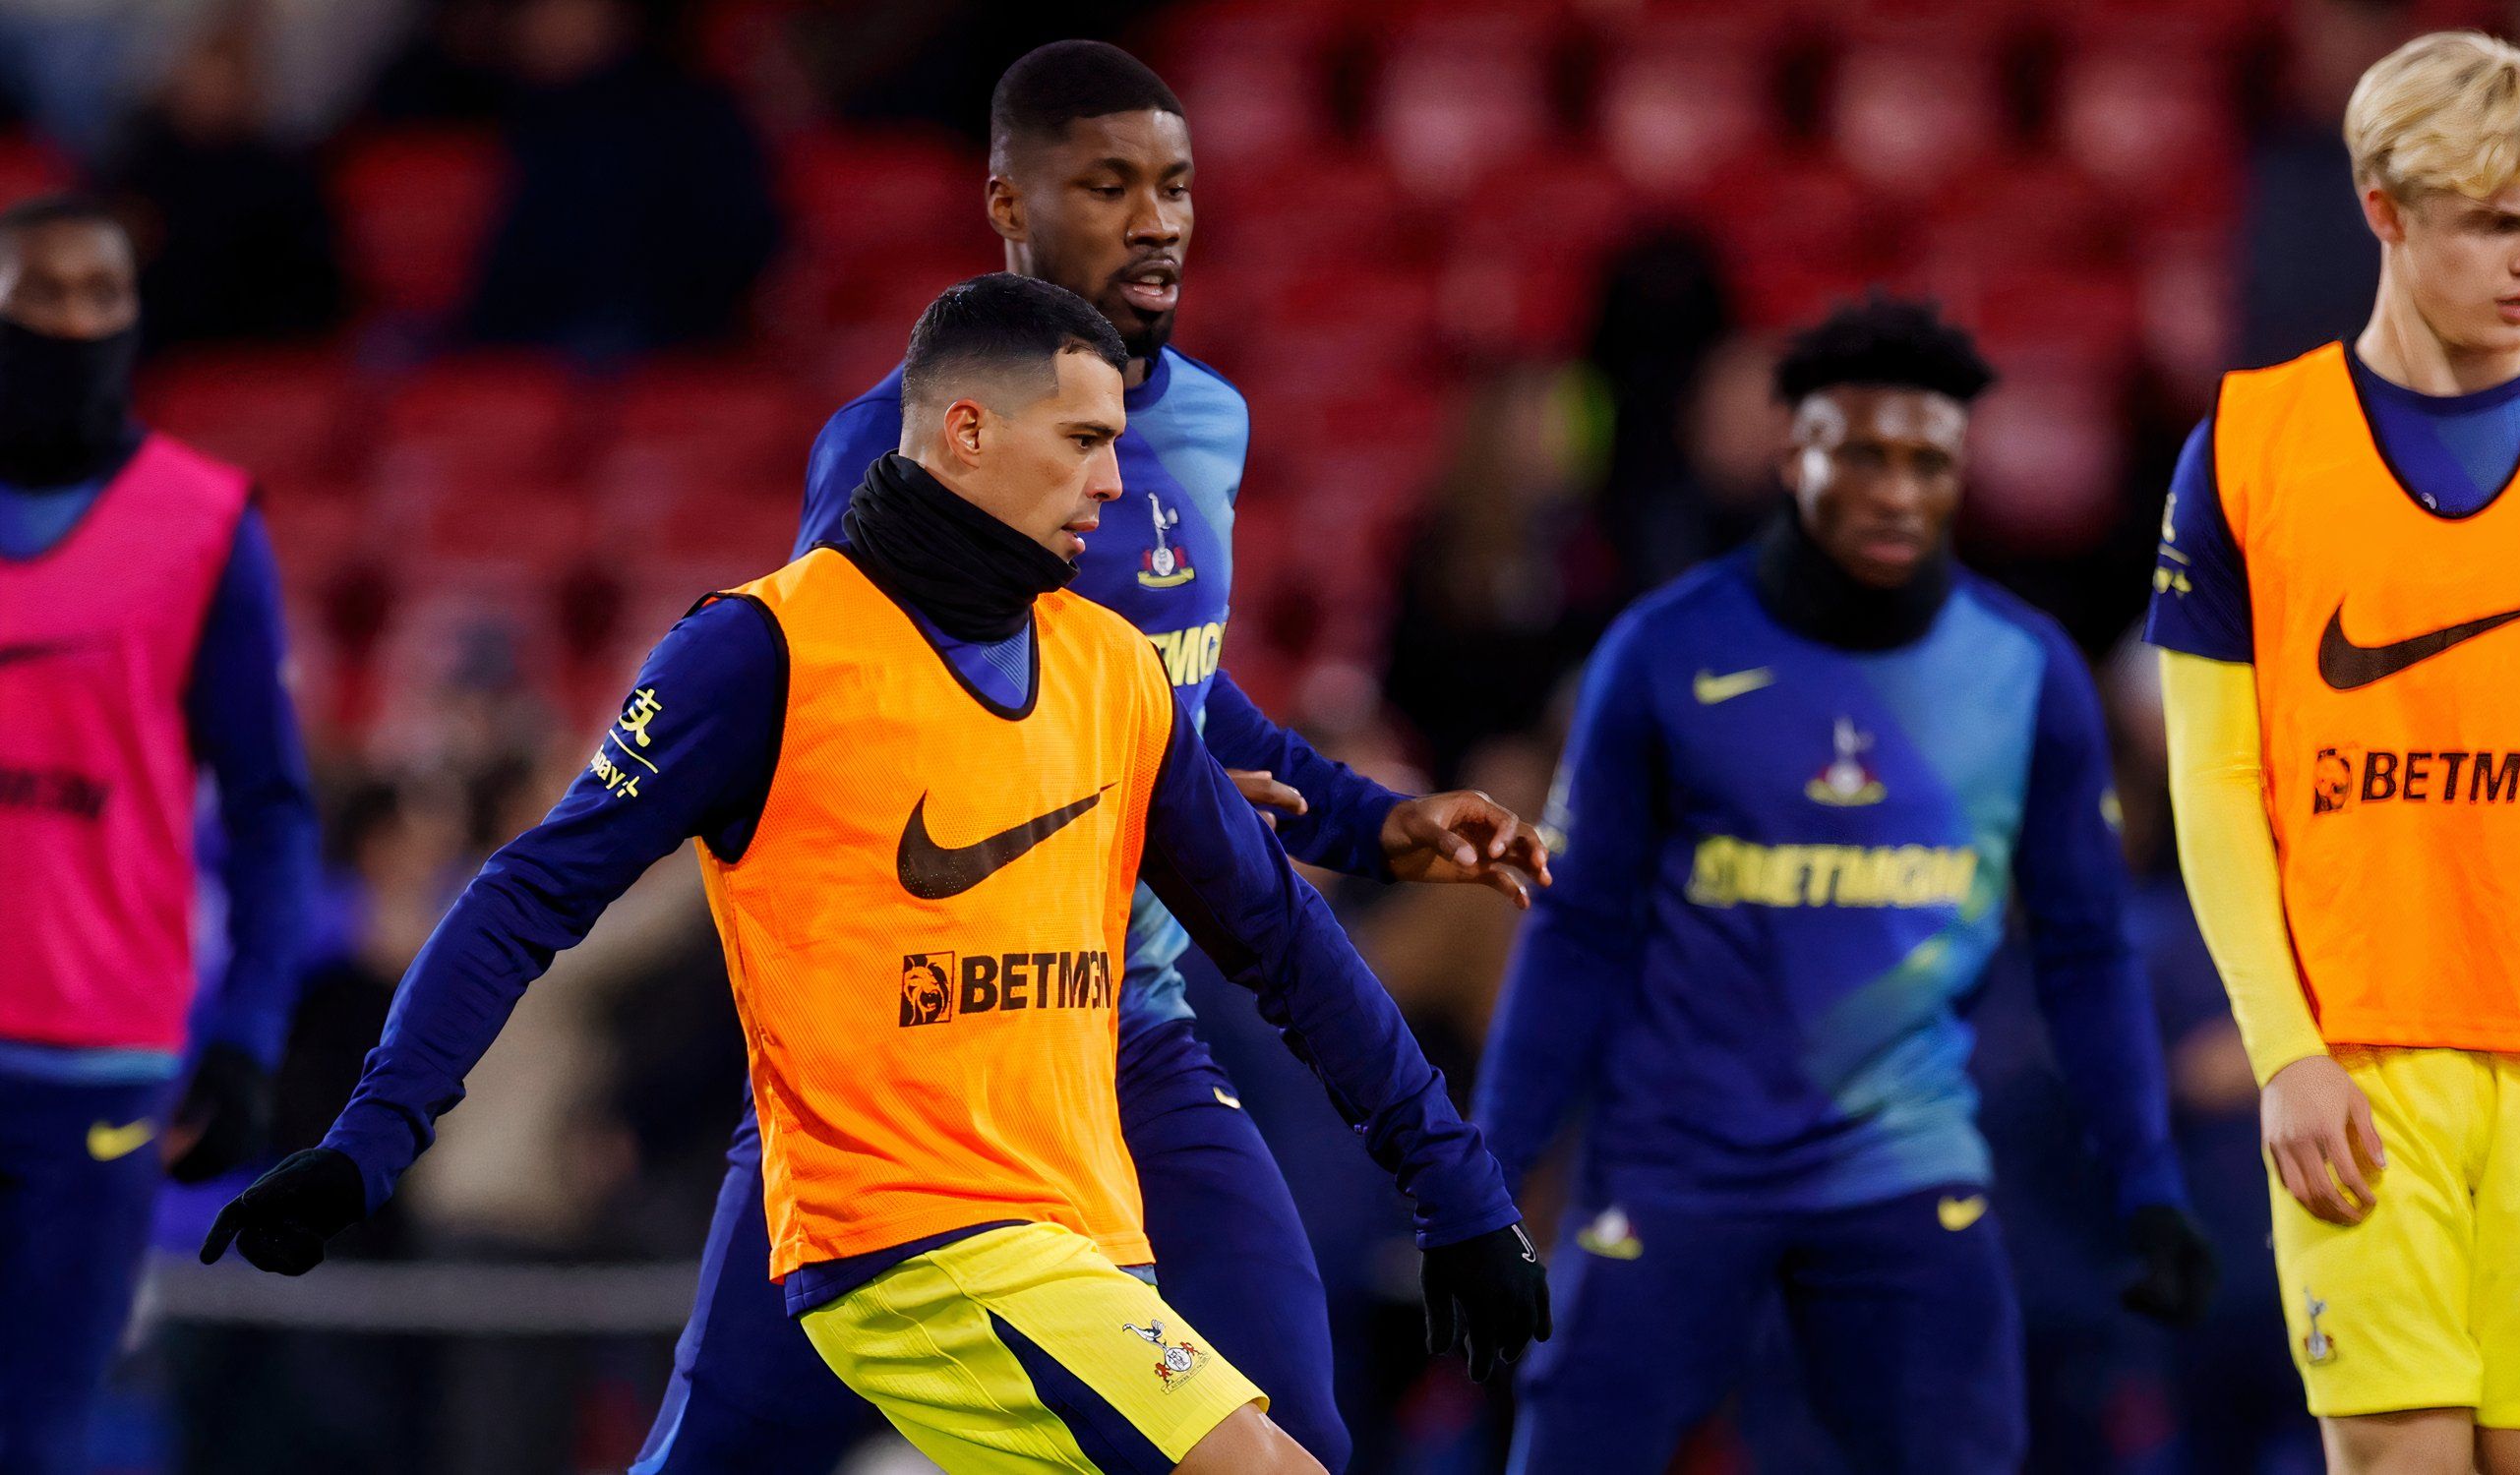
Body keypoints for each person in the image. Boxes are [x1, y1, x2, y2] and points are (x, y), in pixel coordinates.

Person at [203, 274, 1548, 1475]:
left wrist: (1462, 1198)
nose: (1111, 485)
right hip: (908, 1239)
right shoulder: (762, 654)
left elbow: (1287, 948)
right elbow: (526, 894)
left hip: (1083, 1237)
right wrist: (370, 1141)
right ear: (968, 433)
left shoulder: (1111, 673)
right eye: (1082, 442)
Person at [647, 40, 1550, 1475]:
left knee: (1297, 1441)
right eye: (1109, 184)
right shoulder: (890, 451)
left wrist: (1372, 824)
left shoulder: (1209, 425)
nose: (1157, 220)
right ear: (1008, 203)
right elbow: (860, 747)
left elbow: (1175, 695)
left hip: (1130, 1033)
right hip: (913, 1069)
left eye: (1178, 186)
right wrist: (1111, 813)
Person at [2146, 32, 2520, 1475]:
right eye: (2495, 222)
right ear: (2383, 207)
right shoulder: (2245, 450)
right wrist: (2283, 1051)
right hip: (2360, 1077)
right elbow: (2215, 782)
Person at [1476, 295, 2218, 1475]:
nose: (1894, 490)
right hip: (1678, 1161)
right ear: (1792, 452)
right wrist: (1489, 1174)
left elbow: (2086, 948)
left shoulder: (2022, 672)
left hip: (1903, 1163)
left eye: (1927, 460)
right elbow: (1576, 936)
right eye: (1859, 454)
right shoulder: (1664, 654)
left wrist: (2147, 1177)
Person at [0, 195, 317, 1475]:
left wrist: (244, 1040)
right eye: (43, 294)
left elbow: (271, 809)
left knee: (38, 1435)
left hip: (100, 1071)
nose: (74, 321)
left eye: (103, 297)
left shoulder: (202, 524)